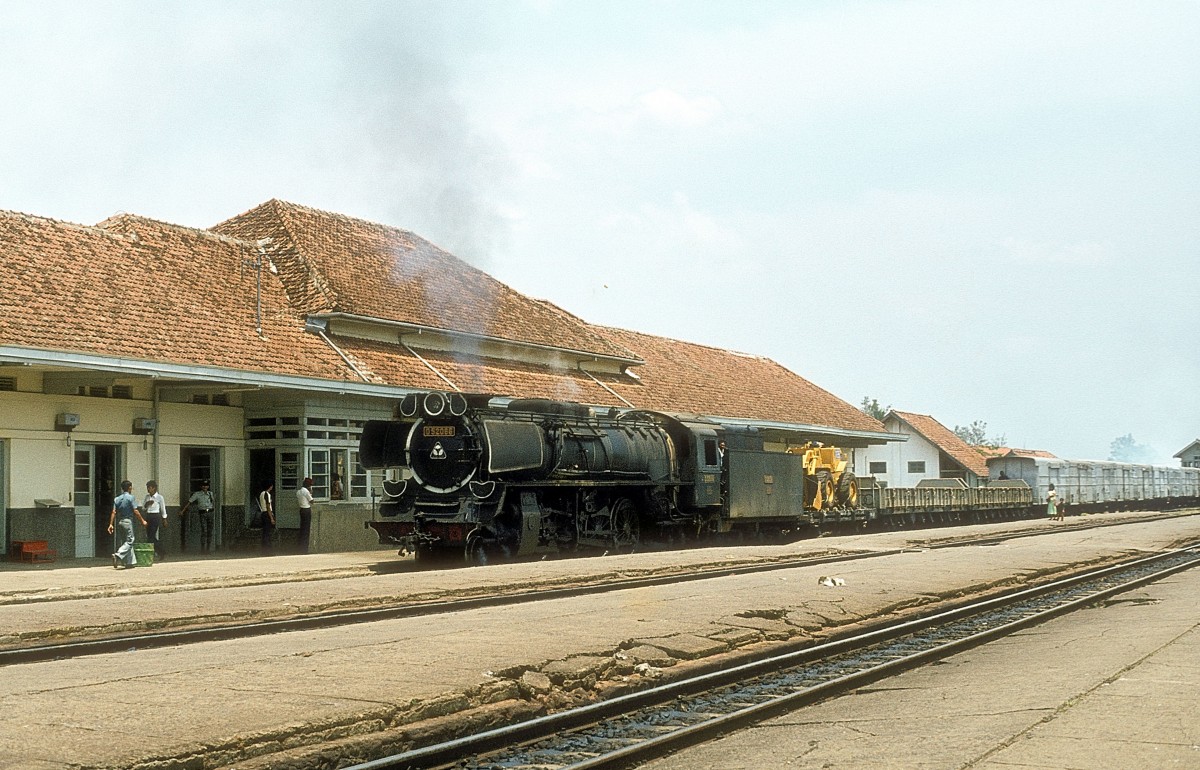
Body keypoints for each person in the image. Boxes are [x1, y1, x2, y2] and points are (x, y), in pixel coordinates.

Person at [108, 480, 147, 569]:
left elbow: (113, 512)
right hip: (128, 521)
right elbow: (135, 511)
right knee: (130, 541)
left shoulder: (117, 499)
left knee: (126, 541)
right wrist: (142, 521)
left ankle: (129, 562)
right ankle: (117, 555)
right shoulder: (131, 498)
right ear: (129, 488)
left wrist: (111, 524)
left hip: (120, 522)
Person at [179, 480, 217, 554]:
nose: (205, 487)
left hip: (210, 512)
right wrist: (183, 511)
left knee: (210, 531)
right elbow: (189, 502)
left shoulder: (210, 494)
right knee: (204, 530)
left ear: (208, 486)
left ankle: (208, 548)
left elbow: (213, 502)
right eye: (203, 485)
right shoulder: (197, 494)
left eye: (206, 485)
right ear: (201, 486)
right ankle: (203, 549)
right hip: (202, 513)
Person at [143, 480, 167, 562]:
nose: (148, 489)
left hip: (155, 516)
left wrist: (164, 519)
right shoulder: (147, 497)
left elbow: (163, 508)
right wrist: (147, 504)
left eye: (149, 488)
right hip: (148, 516)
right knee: (149, 536)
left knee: (151, 536)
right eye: (147, 488)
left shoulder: (159, 497)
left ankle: (161, 551)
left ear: (154, 488)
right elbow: (144, 508)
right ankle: (158, 552)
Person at [295, 477, 314, 554]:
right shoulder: (306, 491)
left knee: (302, 528)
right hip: (306, 510)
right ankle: (304, 549)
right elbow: (312, 501)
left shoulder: (298, 492)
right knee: (306, 529)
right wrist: (311, 492)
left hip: (301, 509)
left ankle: (300, 547)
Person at [257, 483, 276, 553]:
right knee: (267, 532)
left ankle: (264, 549)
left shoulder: (261, 494)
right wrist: (271, 518)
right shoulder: (267, 494)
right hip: (267, 513)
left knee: (265, 532)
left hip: (263, 513)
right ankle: (267, 549)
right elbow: (268, 506)